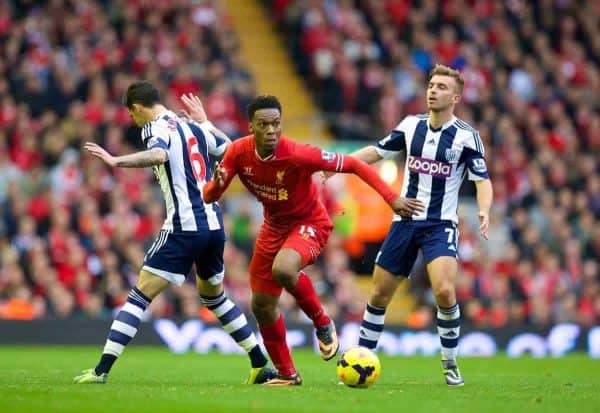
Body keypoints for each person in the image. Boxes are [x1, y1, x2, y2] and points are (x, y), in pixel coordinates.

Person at [202, 94, 424, 385]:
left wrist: (392, 199)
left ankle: (322, 322)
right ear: (251, 126)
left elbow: (355, 165)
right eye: (264, 125)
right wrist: (216, 187)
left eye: (276, 124)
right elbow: (208, 196)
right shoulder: (237, 153)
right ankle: (287, 374)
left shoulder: (298, 153)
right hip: (273, 226)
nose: (271, 131)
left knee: (283, 269)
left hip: (310, 223)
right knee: (261, 305)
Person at [73, 82, 275, 384]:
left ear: (137, 108)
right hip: (214, 226)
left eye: (131, 115)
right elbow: (230, 151)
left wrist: (116, 161)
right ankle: (260, 364)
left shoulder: (154, 126)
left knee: (138, 297)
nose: (133, 120)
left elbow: (158, 155)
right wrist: (206, 122)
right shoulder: (190, 124)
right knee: (215, 298)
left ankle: (101, 371)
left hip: (184, 226)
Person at [350, 64, 493, 386]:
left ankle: (450, 362)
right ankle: (361, 358)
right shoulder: (411, 126)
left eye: (441, 86)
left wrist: (484, 210)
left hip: (440, 224)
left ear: (455, 97)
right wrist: (337, 164)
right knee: (379, 295)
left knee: (443, 289)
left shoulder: (466, 137)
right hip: (404, 221)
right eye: (431, 84)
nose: (433, 90)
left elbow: (482, 180)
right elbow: (378, 151)